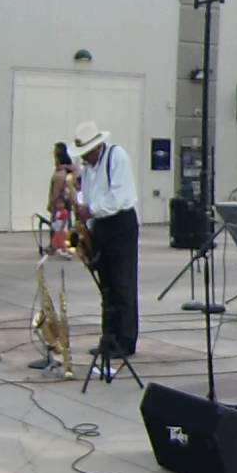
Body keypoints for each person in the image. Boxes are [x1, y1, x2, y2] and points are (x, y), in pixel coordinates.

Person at [71, 121, 140, 357]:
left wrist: (90, 211)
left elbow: (117, 197)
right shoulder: (88, 167)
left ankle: (126, 340)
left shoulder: (116, 156)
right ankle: (108, 337)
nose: (85, 159)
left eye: (87, 153)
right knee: (107, 286)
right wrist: (86, 231)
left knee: (123, 284)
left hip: (120, 223)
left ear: (96, 147)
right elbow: (88, 197)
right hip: (100, 224)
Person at [49, 142, 79, 256]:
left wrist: (51, 202)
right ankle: (64, 244)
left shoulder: (60, 172)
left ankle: (57, 245)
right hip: (65, 200)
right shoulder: (63, 170)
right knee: (64, 223)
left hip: (59, 201)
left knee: (58, 224)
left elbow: (56, 189)